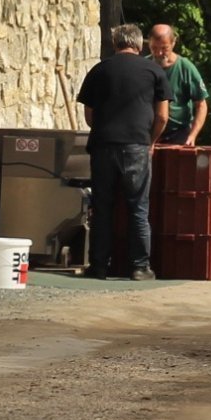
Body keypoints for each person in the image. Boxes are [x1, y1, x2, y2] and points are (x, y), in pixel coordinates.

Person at [76, 22, 169, 280]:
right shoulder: (154, 71)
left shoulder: (99, 70)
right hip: (137, 146)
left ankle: (98, 267)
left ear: (116, 43)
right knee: (138, 207)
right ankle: (140, 267)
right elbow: (162, 116)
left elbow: (89, 115)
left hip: (103, 146)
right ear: (140, 45)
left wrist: (106, 131)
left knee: (102, 207)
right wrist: (149, 141)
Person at [148, 23, 209, 146]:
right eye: (154, 48)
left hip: (178, 134)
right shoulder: (144, 66)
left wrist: (192, 135)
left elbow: (201, 105)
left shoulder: (185, 67)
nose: (159, 53)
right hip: (148, 133)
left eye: (164, 48)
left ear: (173, 43)